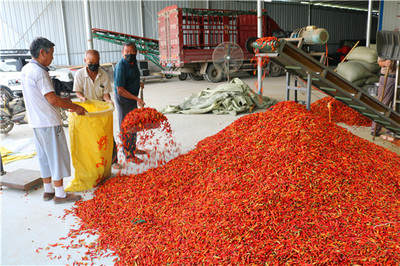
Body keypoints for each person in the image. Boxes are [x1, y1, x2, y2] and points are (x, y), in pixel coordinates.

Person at [21, 37, 87, 204]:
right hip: (48, 121)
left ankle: (48, 190)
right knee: (57, 157)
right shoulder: (40, 72)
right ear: (42, 53)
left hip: (36, 123)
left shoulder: (26, 69)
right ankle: (60, 194)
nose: (52, 58)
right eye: (51, 54)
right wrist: (74, 107)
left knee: (45, 157)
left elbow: (46, 95)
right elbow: (52, 100)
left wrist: (66, 101)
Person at [73, 49, 121, 169]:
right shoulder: (79, 74)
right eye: (90, 62)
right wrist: (82, 98)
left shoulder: (103, 74)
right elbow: (77, 92)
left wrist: (109, 101)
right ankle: (93, 162)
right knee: (90, 138)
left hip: (100, 111)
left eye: (96, 62)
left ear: (99, 61)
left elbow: (105, 94)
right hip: (87, 110)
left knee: (107, 136)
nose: (93, 65)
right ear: (85, 61)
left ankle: (113, 161)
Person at [114, 42, 146, 163]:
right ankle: (128, 154)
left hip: (132, 97)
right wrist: (137, 99)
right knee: (126, 126)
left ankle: (133, 148)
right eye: (126, 52)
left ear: (136, 52)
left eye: (131, 51)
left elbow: (132, 77)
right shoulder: (121, 66)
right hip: (123, 99)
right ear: (122, 53)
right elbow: (120, 89)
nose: (128, 54)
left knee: (133, 124)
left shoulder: (134, 63)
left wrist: (138, 84)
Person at [371, 58, 397, 136]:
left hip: (398, 79)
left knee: (395, 106)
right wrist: (385, 63)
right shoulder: (386, 46)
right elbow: (380, 62)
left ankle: (391, 130)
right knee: (383, 104)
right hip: (388, 77)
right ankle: (375, 129)